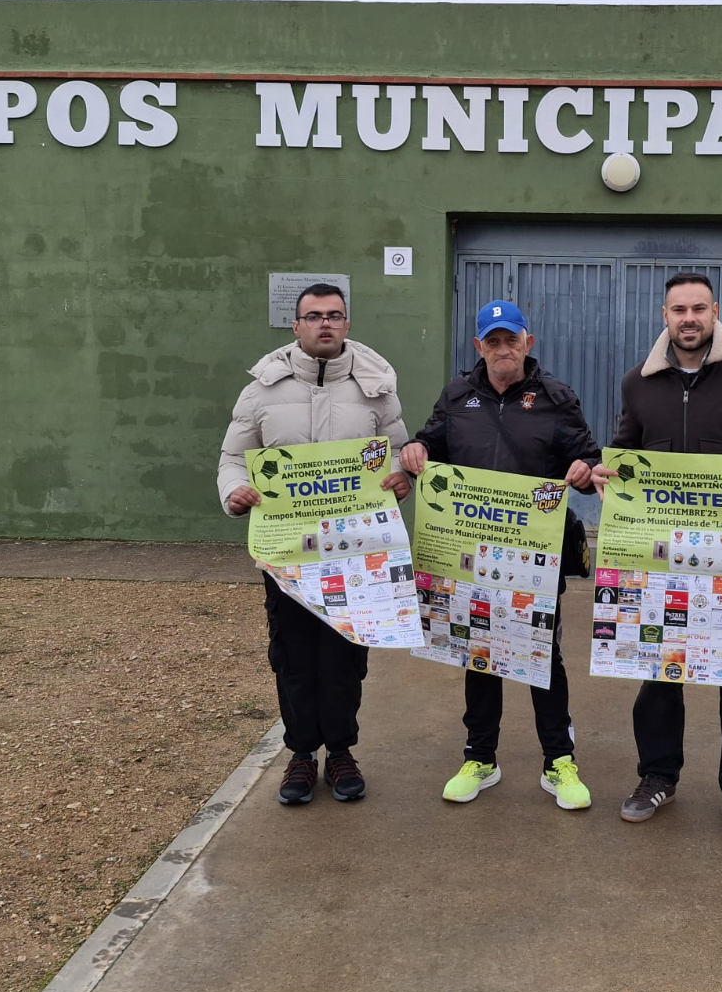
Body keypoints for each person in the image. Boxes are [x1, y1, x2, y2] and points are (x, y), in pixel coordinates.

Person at [593, 272, 722, 840]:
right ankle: (657, 775)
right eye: (678, 309)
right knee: (659, 669)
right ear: (664, 315)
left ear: (714, 313)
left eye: (698, 309)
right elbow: (627, 451)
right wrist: (608, 474)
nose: (688, 318)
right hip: (660, 557)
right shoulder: (640, 383)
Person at [400, 299, 600, 810]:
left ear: (527, 343)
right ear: (479, 347)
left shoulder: (556, 397)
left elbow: (589, 455)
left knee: (541, 656)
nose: (502, 349)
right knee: (480, 653)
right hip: (470, 553)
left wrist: (581, 468)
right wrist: (416, 450)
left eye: (512, 339)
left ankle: (559, 762)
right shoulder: (457, 395)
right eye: (493, 341)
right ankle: (480, 758)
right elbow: (430, 444)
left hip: (537, 553)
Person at [217, 283, 411, 807]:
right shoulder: (262, 389)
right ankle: (301, 757)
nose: (325, 323)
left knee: (346, 656)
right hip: (288, 556)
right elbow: (234, 457)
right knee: (294, 656)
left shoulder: (376, 387)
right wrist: (233, 491)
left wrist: (400, 476)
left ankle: (342, 752)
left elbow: (397, 449)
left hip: (357, 555)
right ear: (296, 325)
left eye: (335, 315)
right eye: (313, 316)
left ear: (347, 324)